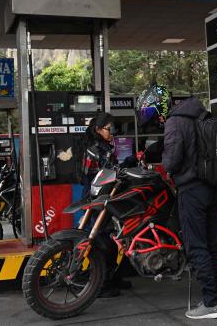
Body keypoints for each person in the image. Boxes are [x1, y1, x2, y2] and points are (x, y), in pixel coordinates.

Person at [158, 92, 217, 320]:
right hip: (211, 187)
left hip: (191, 189)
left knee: (196, 246)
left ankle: (211, 303)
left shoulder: (175, 122)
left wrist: (163, 165)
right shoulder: (203, 116)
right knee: (211, 244)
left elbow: (172, 159)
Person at [80, 113, 132, 297]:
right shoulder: (95, 149)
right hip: (97, 201)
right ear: (98, 129)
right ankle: (102, 285)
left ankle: (114, 278)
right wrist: (122, 168)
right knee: (104, 243)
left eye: (114, 129)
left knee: (118, 238)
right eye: (110, 129)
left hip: (109, 199)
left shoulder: (106, 146)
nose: (113, 133)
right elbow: (96, 176)